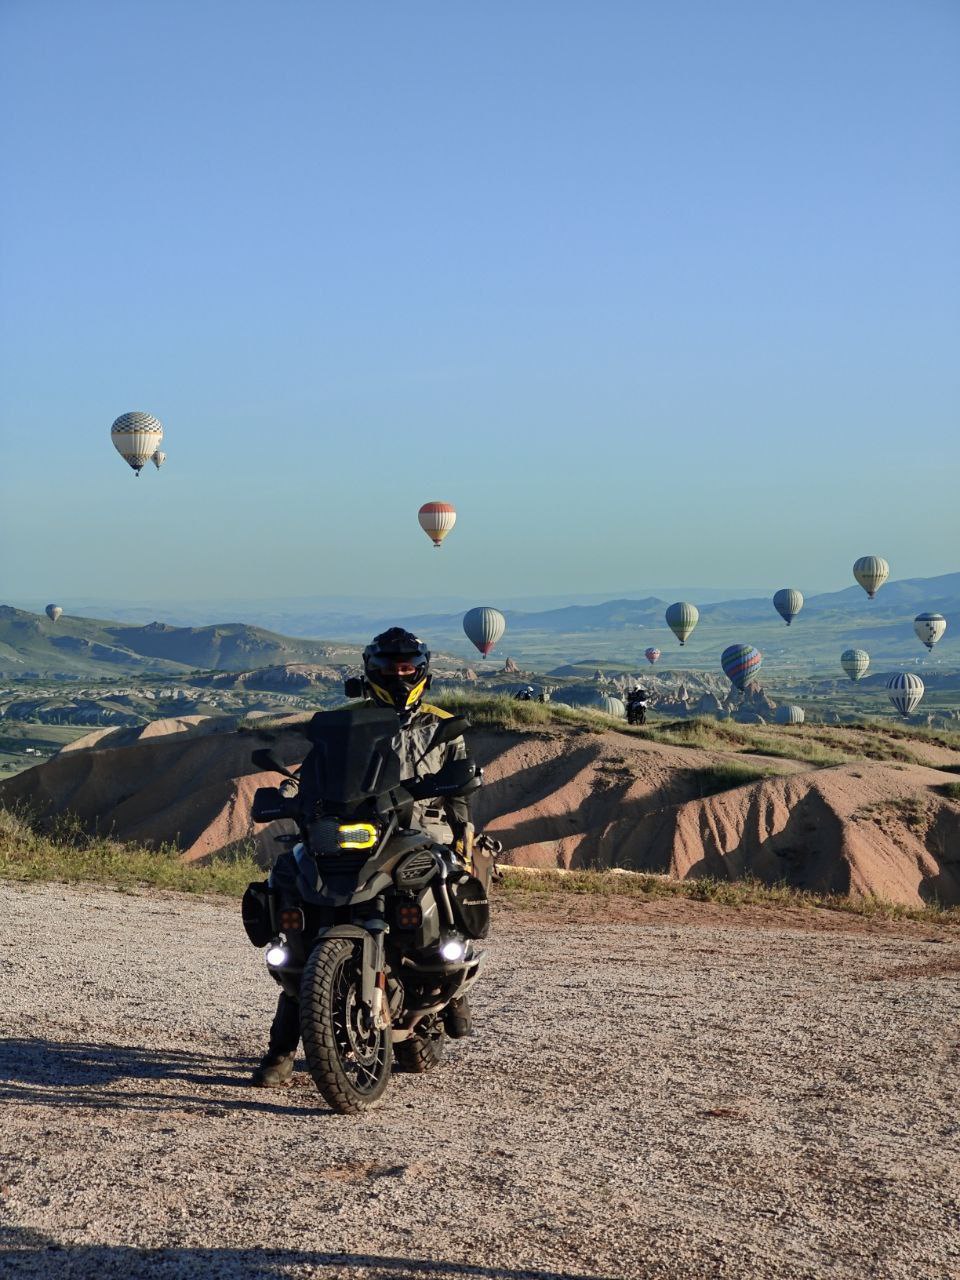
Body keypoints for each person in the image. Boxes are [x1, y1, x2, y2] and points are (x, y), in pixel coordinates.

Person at [252, 627, 480, 1087]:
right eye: (388, 667)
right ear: (371, 670)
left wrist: (460, 831)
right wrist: (294, 797)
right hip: (360, 827)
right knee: (292, 883)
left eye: (406, 666)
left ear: (420, 670)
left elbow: (460, 787)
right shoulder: (345, 724)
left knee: (442, 870)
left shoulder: (441, 723)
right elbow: (318, 774)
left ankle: (453, 975)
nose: (398, 674)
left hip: (421, 823)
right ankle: (281, 1048)